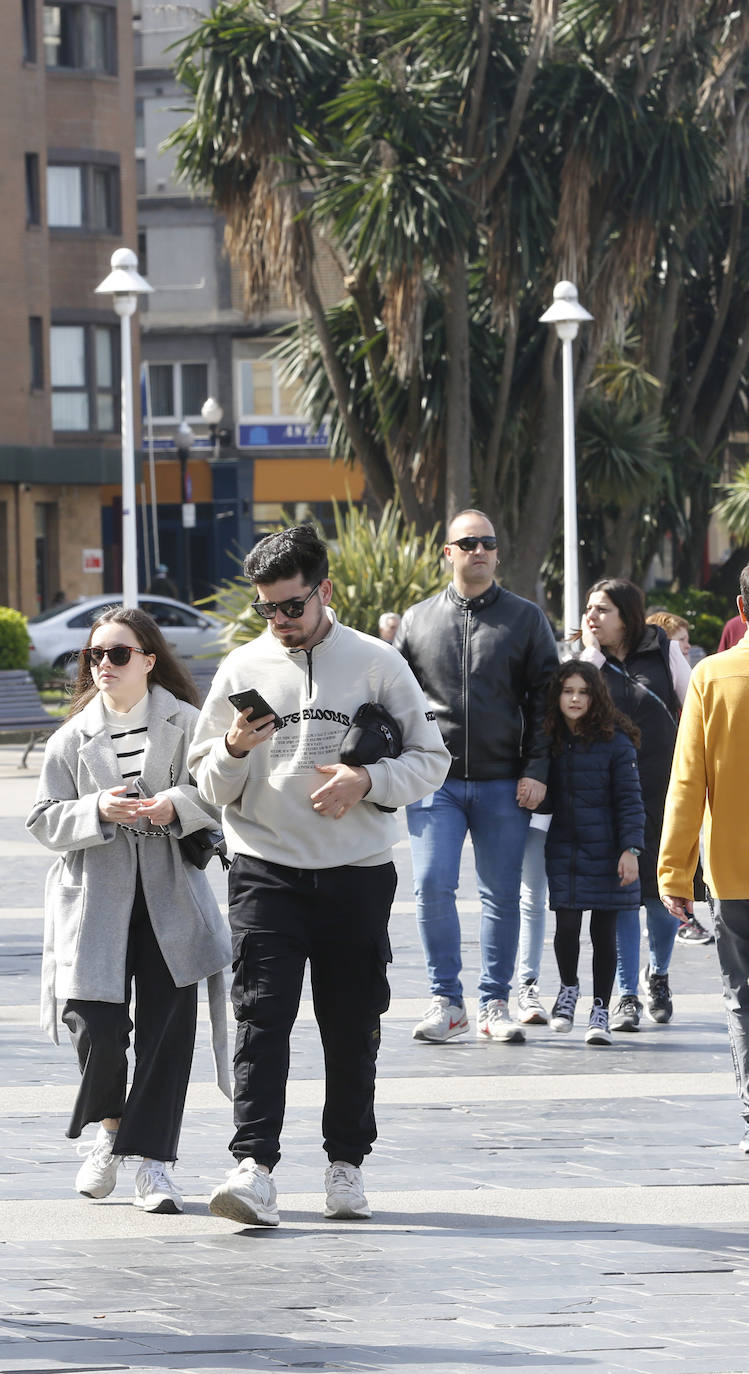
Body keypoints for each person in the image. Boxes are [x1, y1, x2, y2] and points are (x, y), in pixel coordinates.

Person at [188, 524, 449, 1227]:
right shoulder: (241, 668)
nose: (280, 623)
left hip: (357, 874)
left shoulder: (378, 662)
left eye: (292, 607)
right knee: (261, 1018)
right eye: (266, 608)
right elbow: (205, 778)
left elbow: (431, 760)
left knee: (351, 1022)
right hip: (265, 869)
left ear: (324, 591)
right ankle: (254, 1167)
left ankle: (345, 1165)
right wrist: (236, 750)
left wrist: (365, 779)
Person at [26, 607, 231, 1213]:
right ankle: (111, 1129)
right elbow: (42, 819)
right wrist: (96, 812)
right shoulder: (72, 737)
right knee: (95, 1025)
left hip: (171, 899)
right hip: (95, 903)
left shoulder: (188, 722)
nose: (103, 665)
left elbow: (219, 794)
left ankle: (154, 1163)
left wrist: (173, 805)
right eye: (95, 655)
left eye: (118, 653)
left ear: (149, 658)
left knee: (168, 1036)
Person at [394, 509, 559, 1044]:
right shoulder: (417, 621)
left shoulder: (526, 618)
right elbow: (395, 703)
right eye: (468, 543)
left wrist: (536, 769)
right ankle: (447, 1001)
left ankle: (493, 1001)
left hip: (502, 782)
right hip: (434, 781)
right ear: (448, 552)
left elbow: (546, 705)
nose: (479, 551)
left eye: (488, 542)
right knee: (430, 887)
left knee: (501, 895)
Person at [658, 564, 749, 1152]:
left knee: (742, 994)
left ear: (742, 606)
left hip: (735, 870)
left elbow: (688, 781)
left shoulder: (713, 677)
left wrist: (673, 870)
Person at [580, 579, 690, 1031]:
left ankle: (658, 974)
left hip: (663, 789)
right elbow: (573, 708)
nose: (592, 617)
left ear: (626, 614)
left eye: (602, 609)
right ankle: (626, 993)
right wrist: (591, 654)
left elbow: (694, 703)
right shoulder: (589, 661)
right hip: (609, 794)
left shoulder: (663, 652)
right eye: (589, 608)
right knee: (622, 895)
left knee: (660, 893)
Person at [543, 662, 645, 1045]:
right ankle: (568, 989)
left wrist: (630, 849)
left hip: (609, 851)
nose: (574, 698)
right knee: (566, 926)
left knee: (605, 933)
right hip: (565, 849)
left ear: (595, 696)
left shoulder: (616, 742)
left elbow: (630, 801)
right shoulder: (549, 739)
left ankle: (601, 1007)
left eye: (583, 692)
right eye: (568, 690)